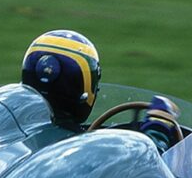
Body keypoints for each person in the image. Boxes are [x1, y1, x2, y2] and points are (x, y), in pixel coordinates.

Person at [20, 29, 180, 149]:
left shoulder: (10, 136)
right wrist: (159, 126)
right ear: (84, 88)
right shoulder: (88, 149)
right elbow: (144, 162)